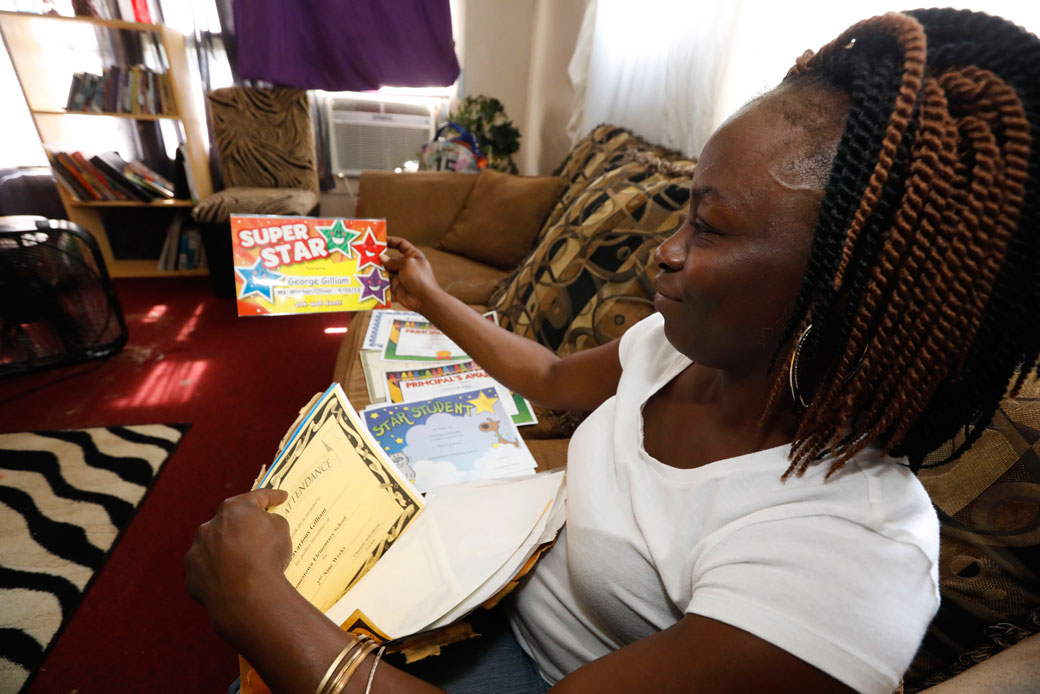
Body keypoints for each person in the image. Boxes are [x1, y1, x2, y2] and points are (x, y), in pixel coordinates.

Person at [185, 8, 1040, 694]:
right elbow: (550, 375)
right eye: (683, 211)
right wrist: (434, 299)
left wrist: (258, 603)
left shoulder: (846, 559)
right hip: (490, 601)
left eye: (706, 226)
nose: (662, 251)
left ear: (845, 291)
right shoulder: (689, 351)